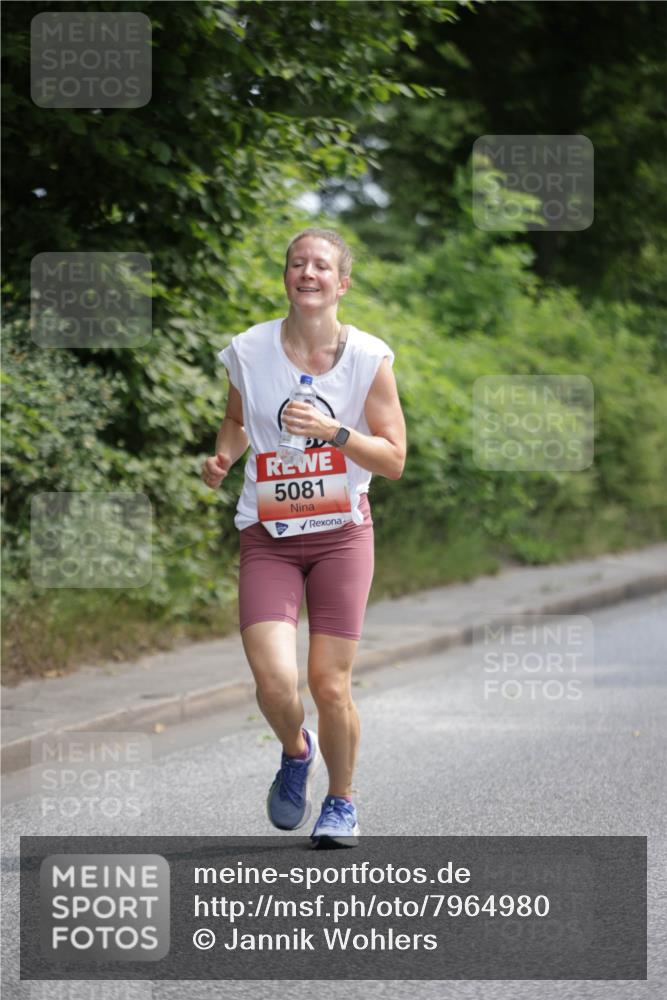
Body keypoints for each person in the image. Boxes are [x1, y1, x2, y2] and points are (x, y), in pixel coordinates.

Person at [202, 228, 406, 847]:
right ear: (287, 277)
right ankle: (296, 752)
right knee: (273, 682)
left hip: (342, 535)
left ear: (342, 283)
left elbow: (394, 459)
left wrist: (332, 431)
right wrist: (224, 455)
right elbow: (237, 419)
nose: (307, 273)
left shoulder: (368, 358)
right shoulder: (249, 349)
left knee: (328, 683)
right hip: (269, 533)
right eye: (297, 264)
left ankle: (341, 802)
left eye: (321, 265)